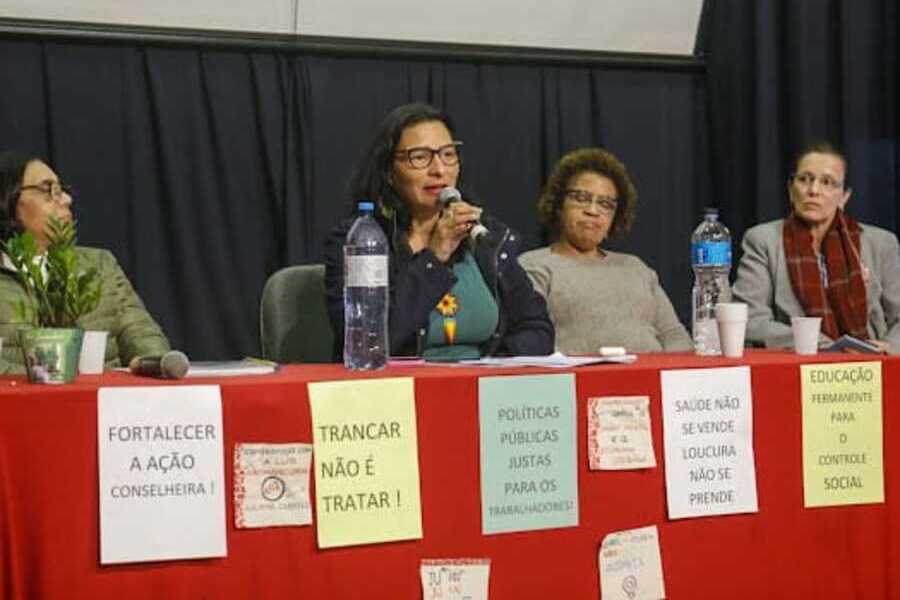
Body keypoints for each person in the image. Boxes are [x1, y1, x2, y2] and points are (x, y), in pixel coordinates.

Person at [323, 103, 554, 361]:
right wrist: (435, 255)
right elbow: (368, 340)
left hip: (479, 389)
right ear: (389, 172)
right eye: (420, 157)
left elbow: (538, 330)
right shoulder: (361, 240)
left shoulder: (485, 236)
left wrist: (486, 367)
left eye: (448, 154)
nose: (439, 170)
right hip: (394, 391)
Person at [0, 151, 171, 373]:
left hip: (101, 403)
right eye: (48, 189)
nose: (66, 199)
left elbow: (143, 337)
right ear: (6, 198)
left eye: (62, 190)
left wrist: (153, 366)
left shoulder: (99, 265)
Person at [519, 147, 691, 354]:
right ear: (558, 204)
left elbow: (673, 334)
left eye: (605, 204)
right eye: (581, 198)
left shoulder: (636, 267)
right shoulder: (534, 266)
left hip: (652, 380)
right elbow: (533, 342)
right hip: (577, 382)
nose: (592, 211)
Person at [732, 141, 900, 353]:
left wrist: (889, 348)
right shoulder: (763, 240)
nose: (813, 190)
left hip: (870, 365)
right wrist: (820, 344)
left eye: (827, 182)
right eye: (804, 179)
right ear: (791, 189)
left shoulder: (881, 243)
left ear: (844, 196)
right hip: (799, 363)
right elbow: (749, 318)